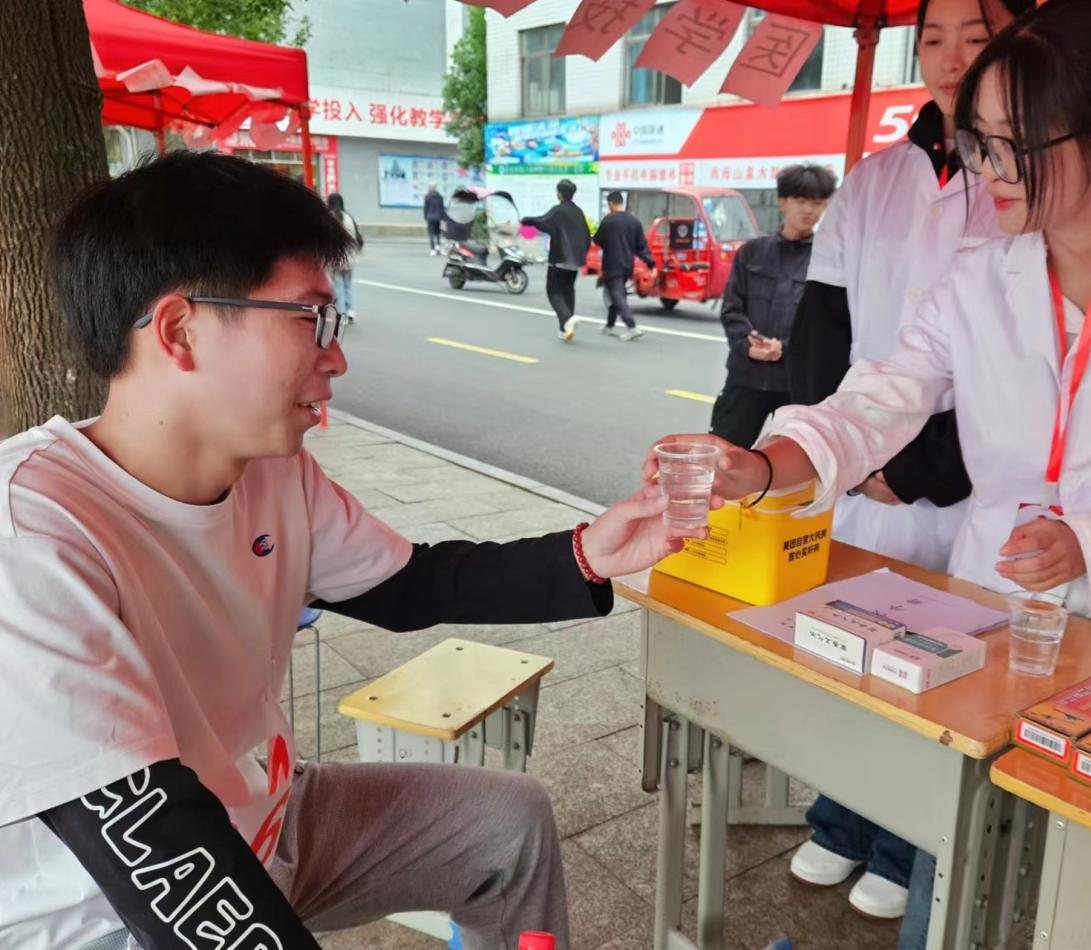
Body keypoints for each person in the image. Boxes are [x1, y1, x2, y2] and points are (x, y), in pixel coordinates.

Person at [652, 8, 1091, 935]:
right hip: (1000, 628)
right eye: (979, 143)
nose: (989, 172)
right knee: (956, 886)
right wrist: (766, 464)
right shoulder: (983, 277)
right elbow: (878, 398)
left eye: (1015, 147)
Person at [0, 151, 710, 950]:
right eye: (309, 318)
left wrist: (585, 554)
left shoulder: (273, 473)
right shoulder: (31, 536)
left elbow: (407, 584)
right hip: (108, 912)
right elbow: (157, 848)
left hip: (267, 819)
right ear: (180, 331)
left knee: (507, 822)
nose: (336, 356)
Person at [782, 0, 1033, 930]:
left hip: (962, 483)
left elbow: (1025, 363)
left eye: (977, 34)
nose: (952, 56)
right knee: (848, 653)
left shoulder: (1028, 182)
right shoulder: (874, 179)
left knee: (939, 676)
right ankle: (841, 818)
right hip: (861, 462)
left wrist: (926, 467)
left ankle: (903, 844)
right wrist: (836, 454)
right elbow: (823, 327)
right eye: (933, 37)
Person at [710, 165, 836, 449]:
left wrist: (786, 347)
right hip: (745, 376)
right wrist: (746, 343)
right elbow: (732, 308)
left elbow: (825, 324)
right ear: (782, 202)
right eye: (801, 201)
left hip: (796, 384)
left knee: (793, 463)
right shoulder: (752, 252)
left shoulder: (828, 261)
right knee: (724, 456)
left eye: (818, 203)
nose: (809, 210)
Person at [522, 179, 593, 342]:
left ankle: (568, 320)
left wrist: (526, 220)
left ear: (560, 194)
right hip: (574, 261)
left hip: (560, 258)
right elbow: (586, 236)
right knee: (568, 290)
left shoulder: (558, 210)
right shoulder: (578, 212)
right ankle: (565, 328)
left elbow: (543, 221)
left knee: (553, 291)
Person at [593, 191, 657, 341]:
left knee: (616, 294)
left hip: (612, 264)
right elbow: (641, 247)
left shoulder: (609, 220)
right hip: (627, 264)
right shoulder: (634, 221)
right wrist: (651, 264)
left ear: (610, 204)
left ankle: (632, 326)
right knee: (616, 293)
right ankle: (609, 326)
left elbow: (598, 240)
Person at [327, 192, 362, 321]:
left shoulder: (330, 217)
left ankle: (341, 313)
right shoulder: (349, 218)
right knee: (347, 285)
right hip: (350, 257)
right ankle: (350, 310)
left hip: (337, 258)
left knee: (338, 286)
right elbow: (358, 238)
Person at [424, 182, 446, 254]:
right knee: (438, 233)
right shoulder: (440, 197)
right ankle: (438, 247)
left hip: (430, 218)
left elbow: (426, 208)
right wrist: (443, 217)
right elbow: (442, 208)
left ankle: (433, 249)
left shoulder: (427, 197)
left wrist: (426, 217)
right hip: (438, 218)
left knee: (431, 234)